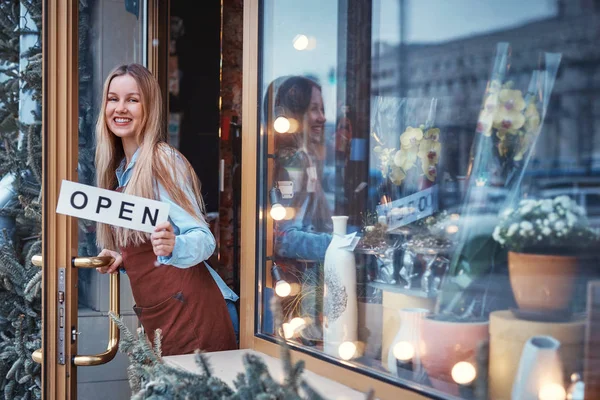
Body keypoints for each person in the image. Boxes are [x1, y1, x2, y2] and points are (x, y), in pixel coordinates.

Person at [94, 63, 237, 355]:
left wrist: (174, 244)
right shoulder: (120, 171)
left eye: (132, 100)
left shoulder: (162, 161)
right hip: (166, 316)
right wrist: (125, 257)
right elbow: (151, 246)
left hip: (197, 314)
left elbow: (204, 239)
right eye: (113, 98)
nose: (120, 108)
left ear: (149, 108)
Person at [266, 76, 335, 340]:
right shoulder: (293, 160)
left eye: (323, 109)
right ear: (296, 112)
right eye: (314, 108)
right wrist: (337, 244)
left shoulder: (307, 156)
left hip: (303, 285)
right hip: (291, 287)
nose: (322, 117)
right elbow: (284, 239)